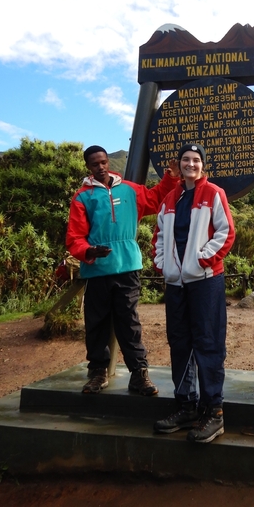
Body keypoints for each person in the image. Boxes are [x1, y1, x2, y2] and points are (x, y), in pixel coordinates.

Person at [66, 145, 179, 396]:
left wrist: (170, 177)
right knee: (97, 323)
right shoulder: (82, 197)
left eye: (104, 162)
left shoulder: (129, 189)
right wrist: (89, 251)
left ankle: (139, 375)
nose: (101, 167)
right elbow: (74, 238)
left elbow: (156, 198)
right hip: (96, 270)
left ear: (108, 162)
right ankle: (97, 373)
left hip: (127, 266)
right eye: (95, 164)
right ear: (89, 167)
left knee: (129, 321)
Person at [151, 143, 235, 443]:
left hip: (205, 281)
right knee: (180, 342)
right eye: (186, 160)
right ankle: (186, 406)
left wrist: (200, 260)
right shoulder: (171, 198)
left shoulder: (213, 193)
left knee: (208, 342)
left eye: (196, 160)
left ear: (203, 165)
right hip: (176, 284)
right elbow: (159, 236)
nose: (191, 164)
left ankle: (214, 412)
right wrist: (164, 265)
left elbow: (226, 233)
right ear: (180, 165)